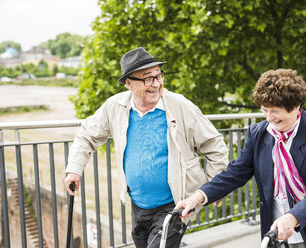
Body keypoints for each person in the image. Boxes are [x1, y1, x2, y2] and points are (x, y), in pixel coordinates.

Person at [64, 47, 228, 248]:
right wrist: (74, 169)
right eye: (148, 78)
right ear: (129, 83)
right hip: (138, 205)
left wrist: (214, 186)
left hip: (174, 204)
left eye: (159, 76)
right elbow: (86, 135)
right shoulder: (115, 107)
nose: (157, 84)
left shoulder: (179, 105)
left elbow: (214, 143)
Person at [176, 69, 306, 248]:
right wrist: (198, 197)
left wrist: (292, 217)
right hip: (277, 230)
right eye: (265, 110)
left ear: (297, 106)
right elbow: (236, 172)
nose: (269, 118)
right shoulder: (258, 133)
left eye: (275, 111)